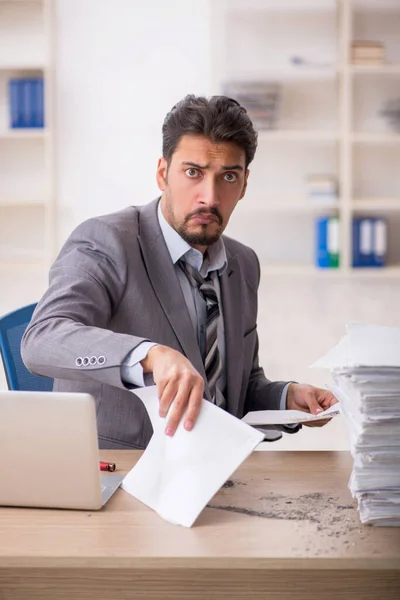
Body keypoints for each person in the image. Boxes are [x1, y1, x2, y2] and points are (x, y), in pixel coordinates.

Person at [22, 94, 338, 449]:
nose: (209, 197)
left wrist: (287, 397)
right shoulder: (106, 241)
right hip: (119, 474)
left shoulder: (243, 264)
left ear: (244, 185)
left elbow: (235, 388)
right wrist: (149, 355)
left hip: (214, 471)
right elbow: (42, 340)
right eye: (193, 173)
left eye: (228, 177)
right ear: (162, 174)